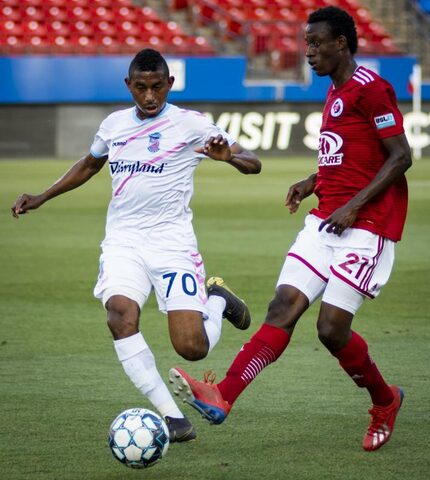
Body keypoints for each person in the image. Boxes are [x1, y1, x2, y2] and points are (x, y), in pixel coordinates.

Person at [169, 6, 412, 452]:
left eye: (317, 43)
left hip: (368, 224)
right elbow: (349, 156)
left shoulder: (371, 89)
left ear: (342, 43)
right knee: (283, 306)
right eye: (307, 43)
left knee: (331, 329)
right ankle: (223, 394)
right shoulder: (335, 93)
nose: (309, 52)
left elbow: (400, 157)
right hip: (327, 221)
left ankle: (384, 400)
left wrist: (354, 208)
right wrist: (312, 182)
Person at [11, 48, 261, 443]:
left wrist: (230, 158)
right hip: (123, 242)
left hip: (172, 244)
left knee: (192, 349)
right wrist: (43, 196)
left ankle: (217, 299)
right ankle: (173, 417)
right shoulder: (114, 125)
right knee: (119, 316)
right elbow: (90, 165)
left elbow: (253, 161)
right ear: (128, 85)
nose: (149, 96)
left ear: (170, 85)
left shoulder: (191, 124)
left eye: (157, 87)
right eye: (141, 88)